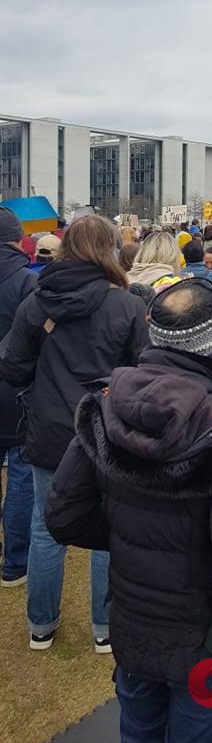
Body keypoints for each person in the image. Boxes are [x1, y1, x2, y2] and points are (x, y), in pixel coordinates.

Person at [45, 278, 212, 743]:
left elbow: (65, 514)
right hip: (202, 633)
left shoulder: (106, 403)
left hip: (134, 620)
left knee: (139, 735)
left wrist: (134, 536)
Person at [0, 215, 149, 652]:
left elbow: (11, 365)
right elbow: (143, 370)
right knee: (95, 527)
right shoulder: (48, 300)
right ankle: (80, 626)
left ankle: (53, 624)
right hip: (98, 426)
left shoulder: (112, 303)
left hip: (67, 425)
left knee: (52, 528)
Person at [0, 208, 37, 587]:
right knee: (22, 474)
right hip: (15, 388)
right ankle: (14, 563)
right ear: (16, 240)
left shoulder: (28, 280)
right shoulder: (26, 281)